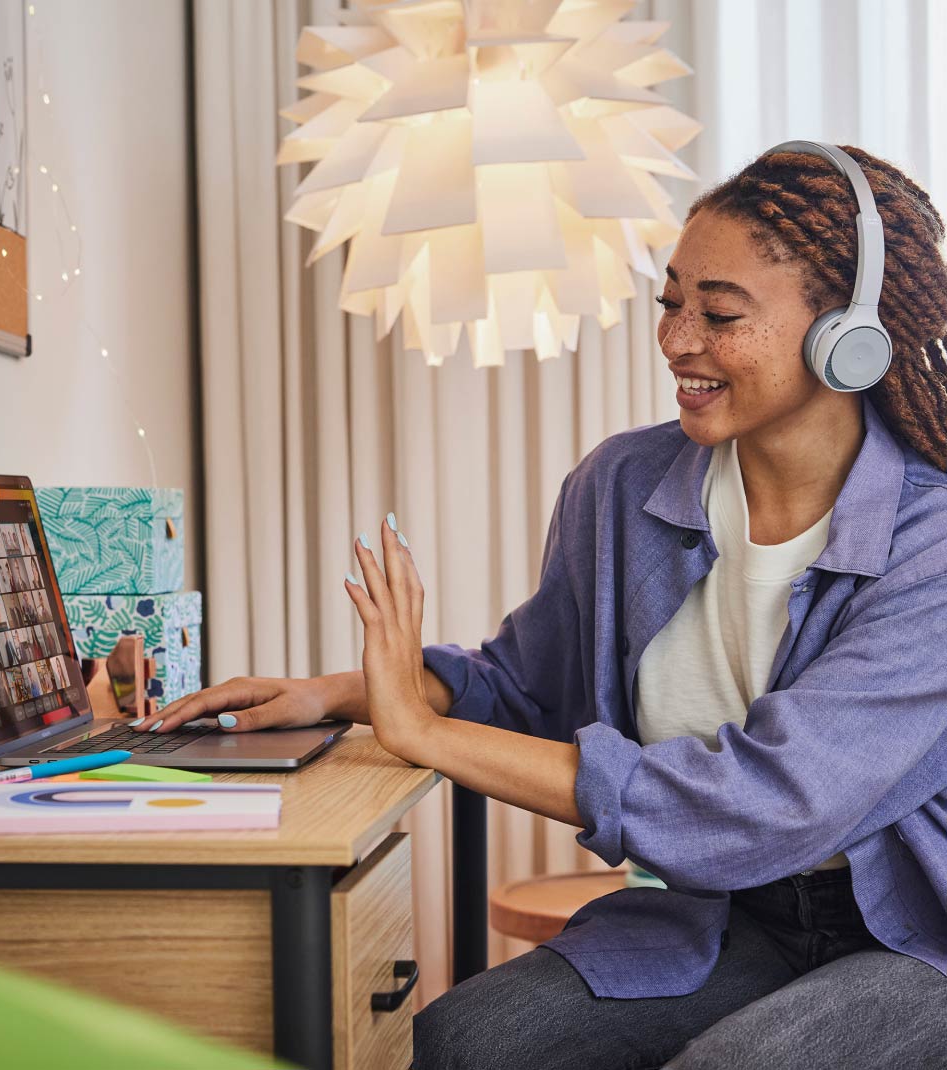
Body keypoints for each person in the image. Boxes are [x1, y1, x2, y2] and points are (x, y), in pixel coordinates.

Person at [130, 144, 947, 1066]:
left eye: (719, 314)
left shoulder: (935, 541)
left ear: (851, 335)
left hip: (915, 935)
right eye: (671, 303)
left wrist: (423, 734)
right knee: (465, 1040)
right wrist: (345, 692)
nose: (678, 340)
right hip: (727, 916)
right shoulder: (624, 486)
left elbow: (759, 808)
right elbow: (527, 688)